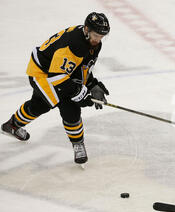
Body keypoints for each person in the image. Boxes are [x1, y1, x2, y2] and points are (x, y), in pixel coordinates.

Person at [1, 12, 111, 166]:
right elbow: (57, 77)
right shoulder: (75, 44)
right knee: (68, 105)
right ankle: (77, 143)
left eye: (102, 36)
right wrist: (79, 93)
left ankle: (11, 125)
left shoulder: (92, 42)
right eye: (96, 35)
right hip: (42, 73)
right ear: (86, 29)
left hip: (57, 72)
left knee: (40, 105)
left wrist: (92, 85)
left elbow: (81, 67)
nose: (98, 39)